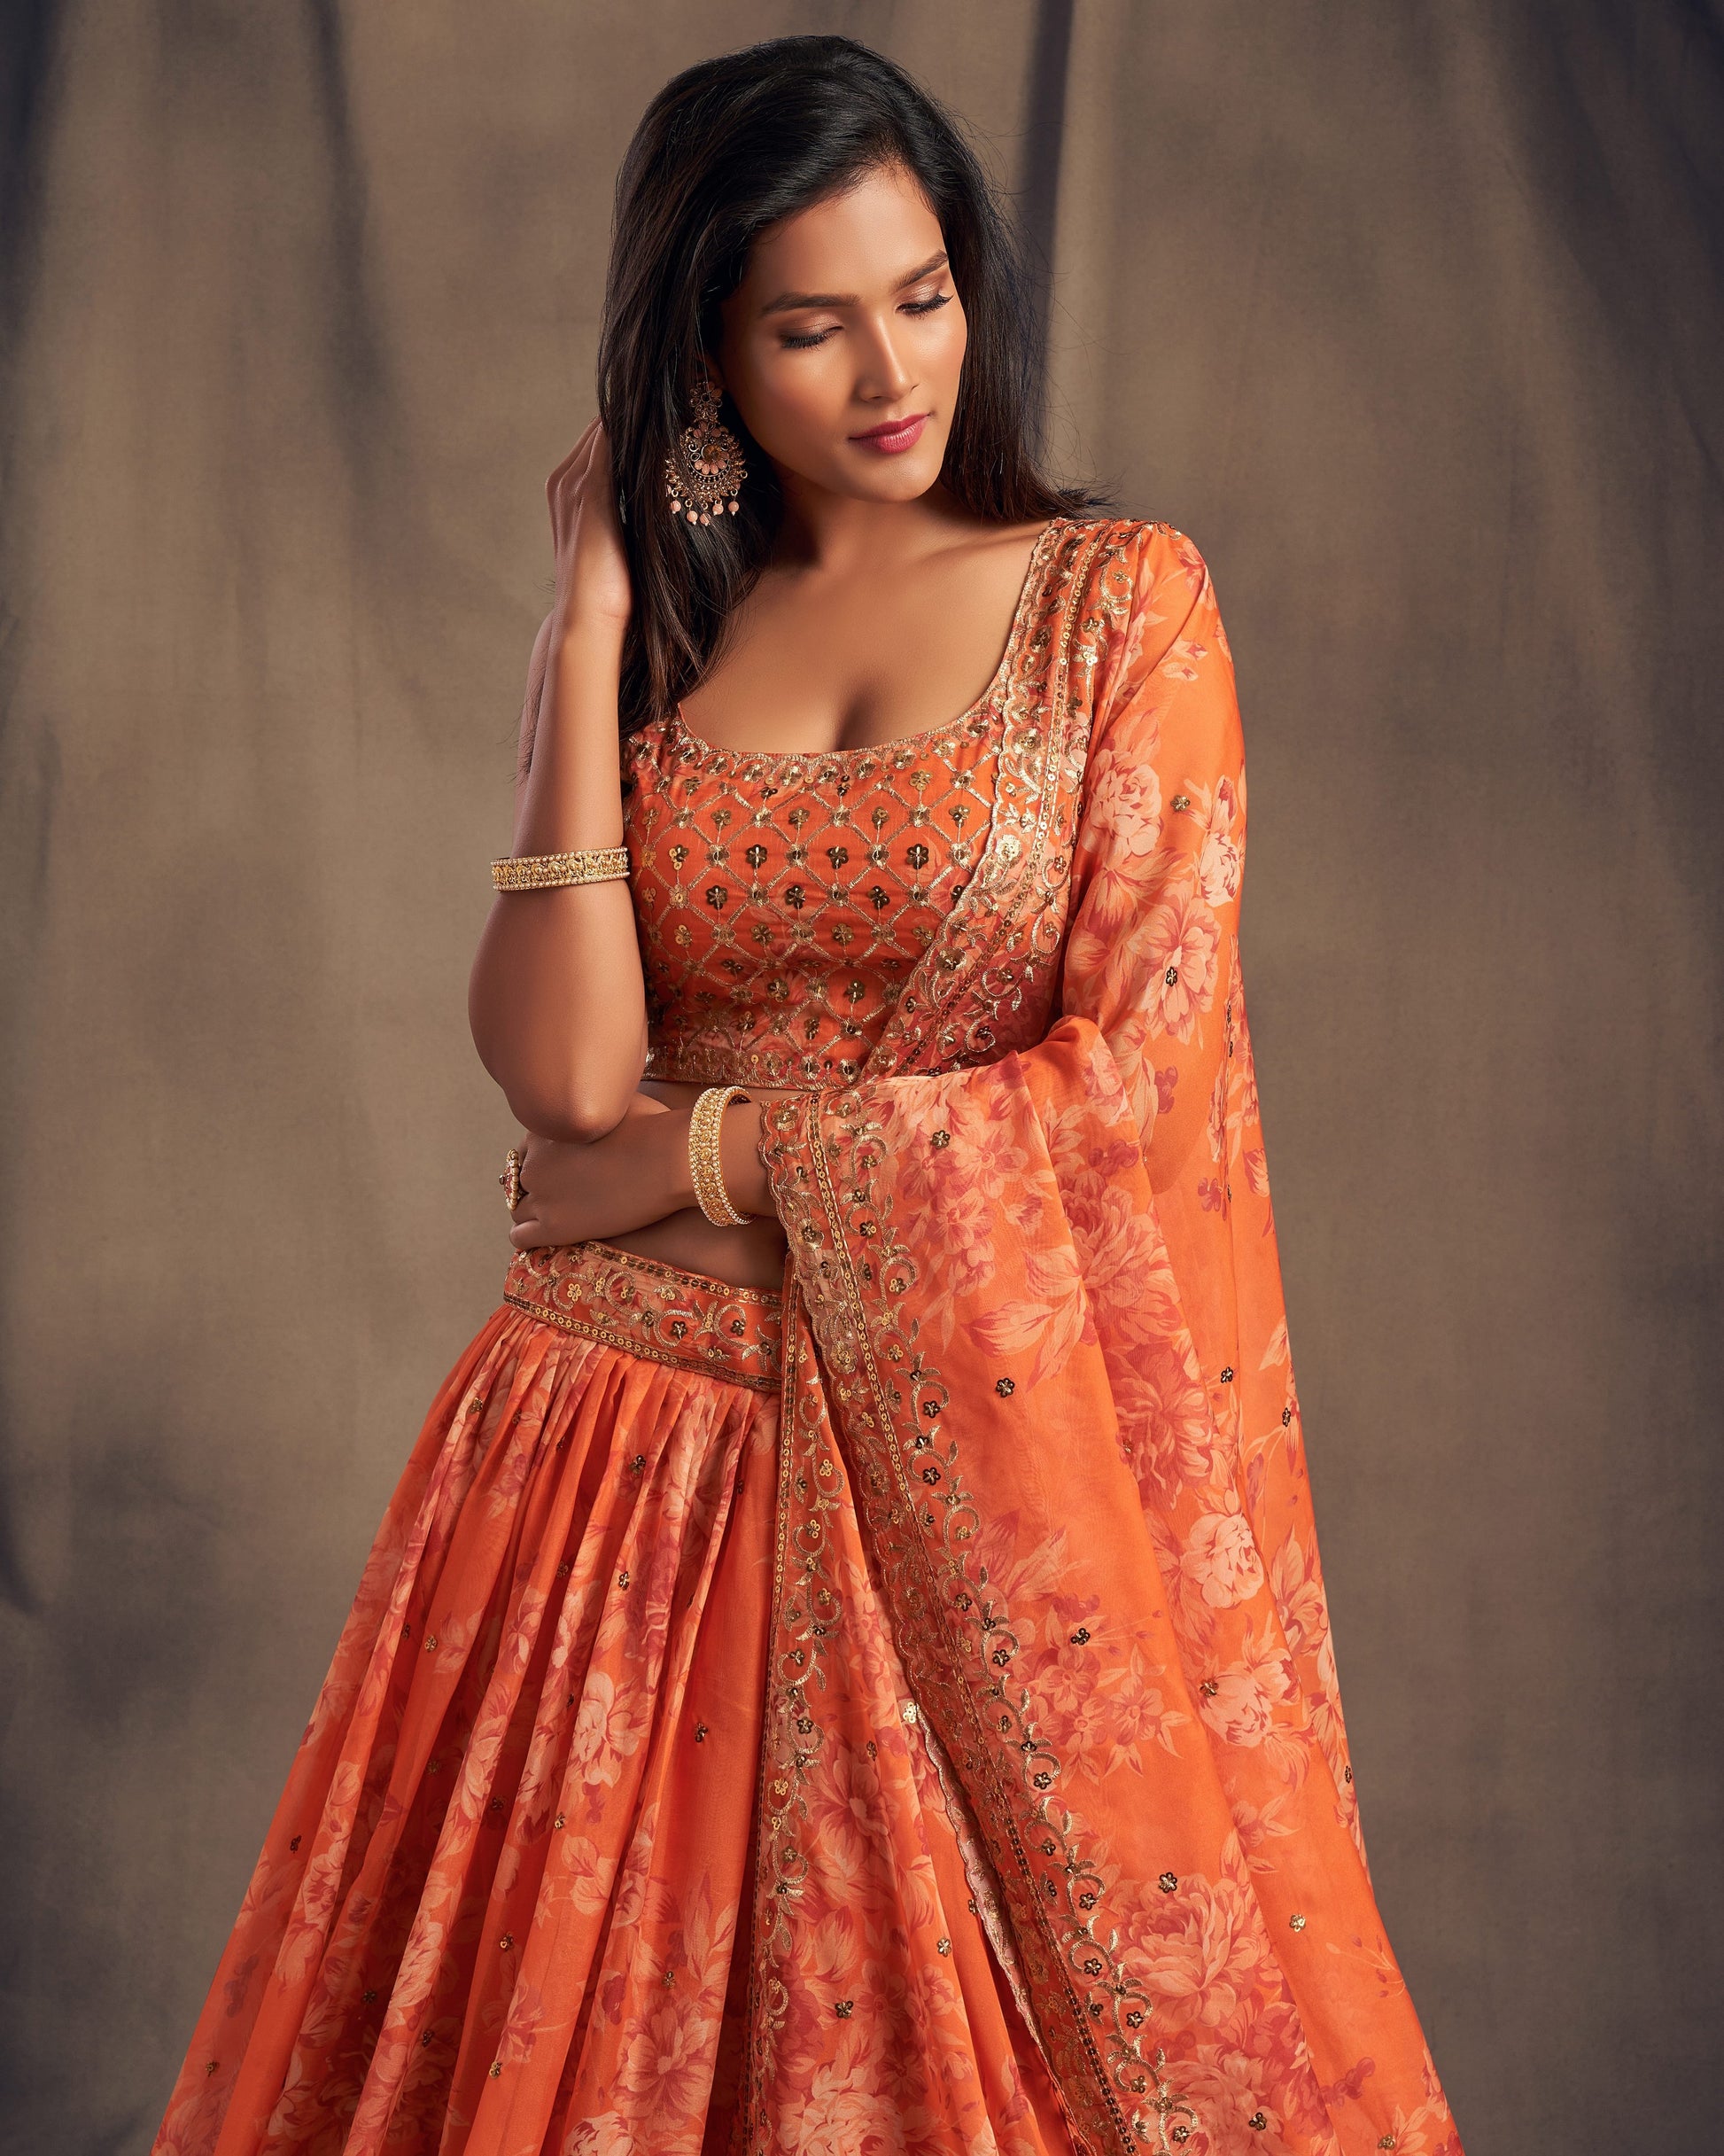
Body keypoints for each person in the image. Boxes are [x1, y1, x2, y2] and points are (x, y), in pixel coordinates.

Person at [153, 34, 1464, 2156]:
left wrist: (707, 1156)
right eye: (808, 322)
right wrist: (581, 625)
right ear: (699, 351)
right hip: (592, 1487)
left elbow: (1122, 1103)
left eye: (923, 293)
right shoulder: (666, 636)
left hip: (942, 1510)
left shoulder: (1115, 610)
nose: (888, 372)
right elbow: (564, 1059)